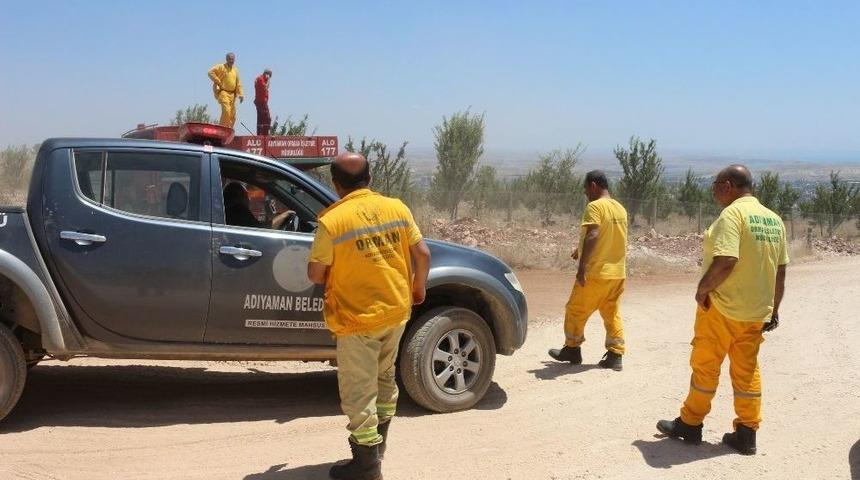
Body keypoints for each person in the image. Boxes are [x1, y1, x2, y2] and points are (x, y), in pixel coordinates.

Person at [307, 152, 431, 480]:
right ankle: (379, 450)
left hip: (356, 320)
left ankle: (366, 468)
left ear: (336, 184)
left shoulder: (332, 221)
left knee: (359, 394)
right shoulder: (397, 208)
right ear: (370, 177)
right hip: (395, 311)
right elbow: (423, 253)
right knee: (385, 380)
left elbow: (316, 275)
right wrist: (418, 289)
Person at [657, 165, 788, 455]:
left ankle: (690, 424)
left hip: (722, 309)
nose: (714, 190)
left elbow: (727, 260)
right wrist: (774, 309)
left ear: (728, 186)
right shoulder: (774, 220)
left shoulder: (732, 214)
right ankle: (746, 433)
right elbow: (780, 272)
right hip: (755, 313)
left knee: (705, 366)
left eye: (716, 184)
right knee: (747, 372)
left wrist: (702, 290)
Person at [548, 170, 628, 370]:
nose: (585, 193)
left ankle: (572, 349)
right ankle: (615, 355)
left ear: (593, 185)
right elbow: (608, 237)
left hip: (596, 272)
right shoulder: (620, 208)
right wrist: (579, 249)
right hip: (617, 273)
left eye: (585, 189)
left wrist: (582, 267)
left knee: (575, 309)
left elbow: (593, 235)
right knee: (612, 312)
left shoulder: (594, 207)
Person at [223, 182, 293, 230]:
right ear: (238, 196)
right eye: (246, 195)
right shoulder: (238, 211)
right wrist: (284, 216)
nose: (249, 199)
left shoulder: (227, 212)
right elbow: (260, 230)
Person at [208, 52, 243, 128]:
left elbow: (238, 83)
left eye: (233, 59)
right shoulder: (221, 67)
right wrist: (218, 80)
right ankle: (222, 128)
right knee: (226, 111)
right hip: (223, 92)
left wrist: (241, 94)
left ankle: (229, 129)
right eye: (230, 59)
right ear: (226, 59)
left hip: (232, 95)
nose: (231, 61)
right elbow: (210, 72)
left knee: (232, 115)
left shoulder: (235, 70)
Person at [254, 69, 272, 135]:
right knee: (267, 118)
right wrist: (269, 80)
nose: (269, 77)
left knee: (261, 119)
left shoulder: (261, 79)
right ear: (265, 73)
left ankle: (261, 134)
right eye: (269, 75)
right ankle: (265, 134)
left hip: (261, 101)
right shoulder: (260, 79)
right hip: (261, 102)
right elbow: (265, 87)